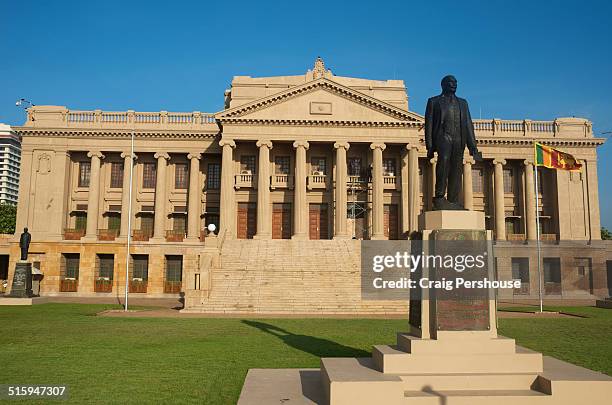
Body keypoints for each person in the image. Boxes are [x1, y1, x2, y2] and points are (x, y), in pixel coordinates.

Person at [425, 75, 482, 210]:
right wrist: (430, 146)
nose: (454, 84)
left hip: (459, 139)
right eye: (451, 82)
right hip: (443, 137)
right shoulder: (434, 101)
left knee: (456, 169)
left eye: (455, 82)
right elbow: (429, 125)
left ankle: (453, 200)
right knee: (443, 165)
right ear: (443, 85)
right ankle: (439, 197)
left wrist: (473, 147)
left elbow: (468, 124)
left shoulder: (463, 103)